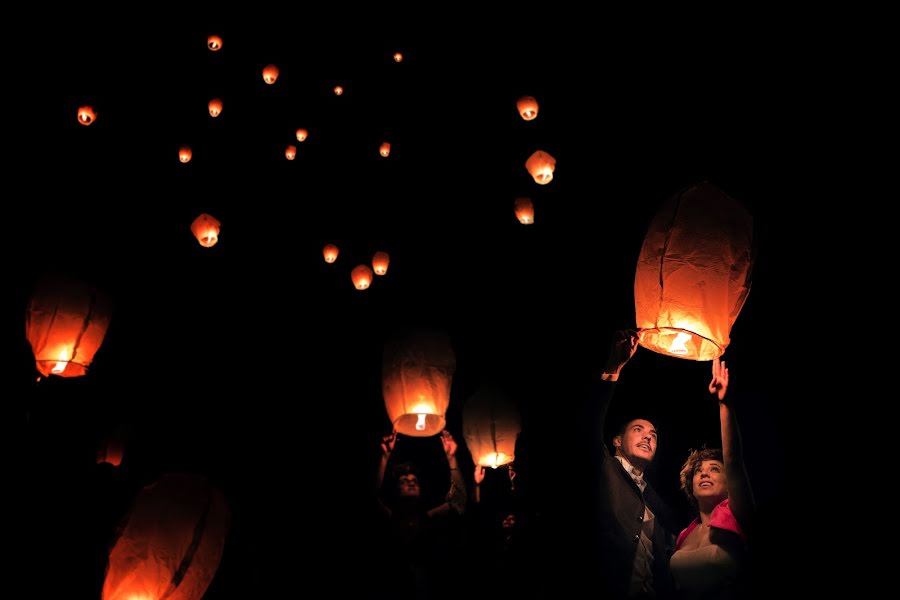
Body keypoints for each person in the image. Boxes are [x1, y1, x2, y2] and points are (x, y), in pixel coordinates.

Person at [585, 329, 677, 599]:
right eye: (638, 429)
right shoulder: (604, 468)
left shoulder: (652, 496)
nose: (648, 435)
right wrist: (613, 368)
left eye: (653, 434)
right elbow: (589, 424)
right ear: (616, 440)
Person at [669, 358, 754, 599]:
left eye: (715, 469)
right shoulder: (685, 534)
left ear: (730, 484)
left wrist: (724, 403)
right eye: (699, 471)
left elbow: (734, 460)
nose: (704, 473)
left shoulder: (737, 514)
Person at [374, 429, 467, 599]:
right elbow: (369, 499)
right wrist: (384, 457)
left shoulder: (428, 517)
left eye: (414, 480)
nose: (410, 482)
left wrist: (452, 457)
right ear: (395, 490)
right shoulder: (389, 517)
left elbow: (458, 501)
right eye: (404, 481)